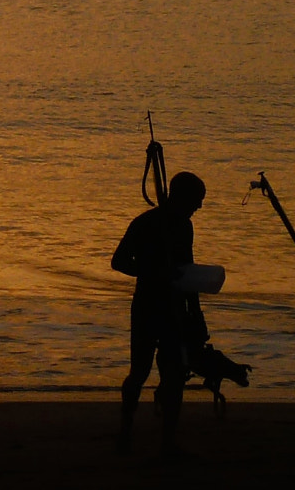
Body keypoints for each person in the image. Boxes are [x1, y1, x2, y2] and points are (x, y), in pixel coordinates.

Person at [110, 170, 205, 456]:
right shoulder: (146, 223)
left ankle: (167, 442)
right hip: (147, 306)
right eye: (196, 200)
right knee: (139, 371)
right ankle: (125, 432)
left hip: (175, 309)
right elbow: (119, 261)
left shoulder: (184, 227)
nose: (198, 207)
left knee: (174, 375)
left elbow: (187, 271)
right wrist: (153, 272)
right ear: (180, 197)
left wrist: (196, 312)